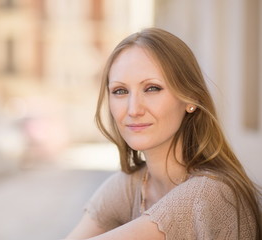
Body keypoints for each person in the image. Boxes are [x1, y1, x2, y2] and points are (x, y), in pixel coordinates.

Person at [65, 28, 261, 239]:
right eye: (120, 91)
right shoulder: (132, 185)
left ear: (189, 99)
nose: (133, 110)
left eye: (152, 88)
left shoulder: (210, 193)